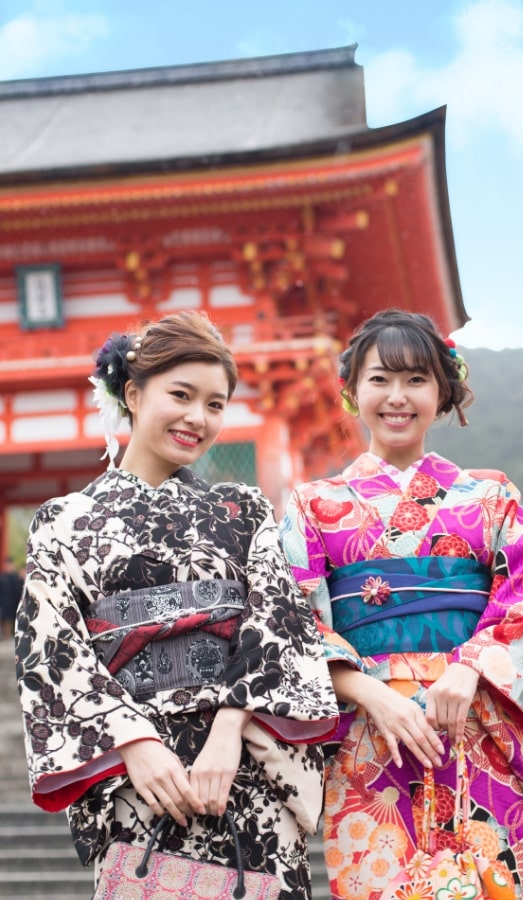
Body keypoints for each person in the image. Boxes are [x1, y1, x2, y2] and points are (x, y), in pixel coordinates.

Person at [15, 310, 338, 900]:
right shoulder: (62, 522)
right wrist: (135, 745)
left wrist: (228, 731)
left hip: (243, 768)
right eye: (181, 395)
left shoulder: (243, 511)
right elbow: (50, 654)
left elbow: (280, 625)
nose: (198, 418)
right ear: (133, 394)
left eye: (216, 405)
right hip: (136, 779)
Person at [280, 309, 523, 900]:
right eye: (380, 379)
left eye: (416, 380)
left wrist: (468, 665)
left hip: (476, 721)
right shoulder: (312, 506)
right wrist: (370, 692)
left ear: (442, 391)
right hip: (368, 739)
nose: (397, 397)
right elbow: (291, 623)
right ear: (352, 392)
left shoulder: (492, 495)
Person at [0, 555, 23, 639]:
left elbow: (18, 589)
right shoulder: (3, 577)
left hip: (14, 601)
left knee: (14, 618)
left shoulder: (16, 577)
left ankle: (12, 634)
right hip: (4, 601)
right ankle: (7, 635)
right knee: (5, 619)